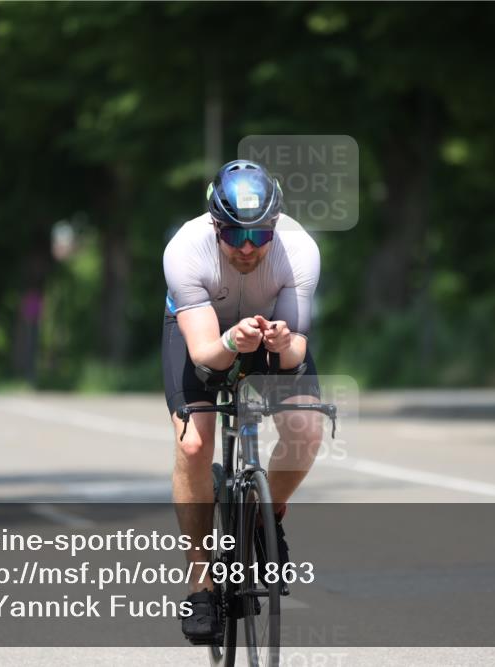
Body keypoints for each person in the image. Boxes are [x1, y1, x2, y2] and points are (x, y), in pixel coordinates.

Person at [162, 160, 324, 642]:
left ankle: (263, 515)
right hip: (209, 336)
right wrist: (233, 340)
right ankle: (201, 584)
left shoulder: (299, 251)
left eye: (260, 235)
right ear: (216, 226)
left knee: (307, 429)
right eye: (234, 235)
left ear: (276, 226)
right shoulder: (185, 250)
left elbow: (296, 350)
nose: (249, 247)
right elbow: (206, 356)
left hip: (267, 330)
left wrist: (279, 340)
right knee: (194, 445)